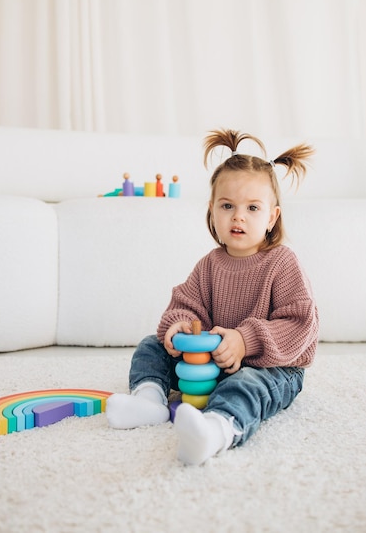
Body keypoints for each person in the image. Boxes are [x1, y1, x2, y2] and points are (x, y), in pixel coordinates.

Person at [106, 129, 319, 465]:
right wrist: (177, 329)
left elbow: (299, 324)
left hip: (272, 366)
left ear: (271, 217)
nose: (238, 216)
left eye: (252, 207)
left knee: (249, 386)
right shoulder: (209, 265)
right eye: (227, 205)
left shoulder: (282, 262)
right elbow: (185, 306)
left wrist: (245, 341)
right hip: (211, 364)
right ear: (212, 211)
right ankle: (149, 400)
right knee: (151, 344)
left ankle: (216, 430)